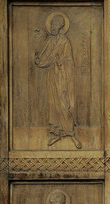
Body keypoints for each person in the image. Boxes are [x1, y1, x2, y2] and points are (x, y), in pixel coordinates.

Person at [34, 12, 81, 149]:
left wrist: (61, 62)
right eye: (52, 24)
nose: (52, 26)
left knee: (63, 102)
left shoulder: (64, 41)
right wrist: (38, 59)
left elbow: (69, 60)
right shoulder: (49, 40)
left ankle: (70, 132)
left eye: (55, 24)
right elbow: (43, 57)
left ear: (60, 26)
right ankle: (57, 132)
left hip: (62, 76)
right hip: (51, 76)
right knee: (53, 103)